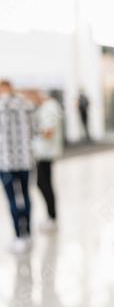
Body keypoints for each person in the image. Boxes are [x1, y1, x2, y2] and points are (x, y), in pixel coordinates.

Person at [0, 80, 36, 254]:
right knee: (26, 196)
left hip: (5, 162)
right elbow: (34, 131)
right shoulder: (26, 105)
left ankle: (18, 236)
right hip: (25, 160)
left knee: (12, 199)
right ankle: (28, 233)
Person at [28, 90, 63, 232]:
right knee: (43, 184)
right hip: (42, 153)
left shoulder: (50, 107)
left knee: (44, 184)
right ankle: (51, 216)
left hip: (46, 154)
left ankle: (52, 217)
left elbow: (48, 132)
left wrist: (33, 131)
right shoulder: (45, 107)